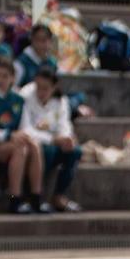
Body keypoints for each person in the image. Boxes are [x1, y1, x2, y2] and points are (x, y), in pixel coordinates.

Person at [0, 54, 44, 212]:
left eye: (5, 76)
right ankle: (14, 199)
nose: (0, 80)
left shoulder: (18, 99)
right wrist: (10, 135)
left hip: (15, 142)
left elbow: (25, 127)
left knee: (33, 145)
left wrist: (26, 137)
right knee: (20, 148)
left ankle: (36, 198)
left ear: (13, 77)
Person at [19, 64, 80, 210]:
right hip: (33, 143)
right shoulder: (25, 95)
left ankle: (59, 195)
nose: (41, 92)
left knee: (75, 151)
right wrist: (52, 140)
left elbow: (64, 124)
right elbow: (25, 128)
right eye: (38, 87)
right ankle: (35, 195)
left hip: (55, 141)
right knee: (48, 151)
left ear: (54, 87)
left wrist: (67, 138)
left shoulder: (61, 100)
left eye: (45, 88)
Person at [16, 21, 57, 86]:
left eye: (45, 40)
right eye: (38, 40)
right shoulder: (21, 63)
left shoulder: (52, 62)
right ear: (31, 40)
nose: (42, 44)